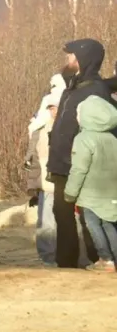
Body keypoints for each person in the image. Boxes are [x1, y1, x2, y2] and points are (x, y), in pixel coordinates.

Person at [50, 39, 113, 270]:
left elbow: (105, 124)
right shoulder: (73, 87)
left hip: (84, 162)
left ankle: (102, 259)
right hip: (60, 164)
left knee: (91, 216)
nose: (67, 59)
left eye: (71, 55)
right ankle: (66, 264)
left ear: (82, 59)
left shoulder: (96, 90)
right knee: (62, 214)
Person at [62, 91, 117, 271]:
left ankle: (105, 258)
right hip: (110, 192)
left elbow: (79, 170)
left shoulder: (83, 139)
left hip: (90, 193)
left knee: (93, 224)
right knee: (109, 224)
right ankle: (114, 259)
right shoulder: (112, 139)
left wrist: (70, 192)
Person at [28, 75, 66, 265]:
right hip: (46, 182)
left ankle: (65, 255)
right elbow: (34, 160)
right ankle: (47, 257)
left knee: (65, 223)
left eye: (56, 107)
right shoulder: (40, 130)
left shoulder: (70, 128)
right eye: (51, 107)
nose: (53, 111)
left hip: (66, 181)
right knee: (46, 223)